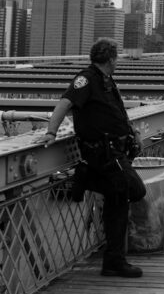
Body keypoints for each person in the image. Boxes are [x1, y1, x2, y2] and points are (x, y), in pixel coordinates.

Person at [38, 38, 146, 278]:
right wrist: (50, 132)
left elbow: (116, 111)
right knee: (136, 190)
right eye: (116, 58)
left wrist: (132, 132)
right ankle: (86, 179)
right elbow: (65, 103)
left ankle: (114, 262)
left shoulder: (107, 81)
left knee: (117, 203)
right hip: (103, 153)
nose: (117, 62)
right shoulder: (85, 79)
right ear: (111, 59)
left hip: (115, 151)